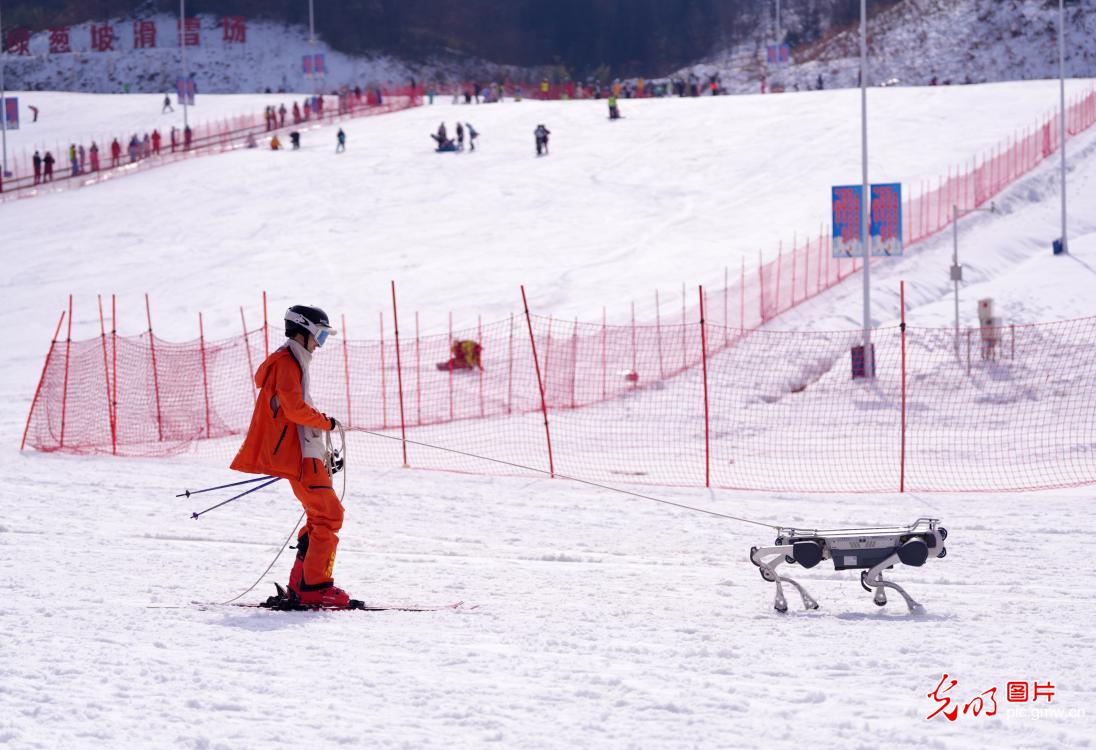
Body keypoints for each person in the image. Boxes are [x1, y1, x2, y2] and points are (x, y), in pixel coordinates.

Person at [230, 305, 352, 609]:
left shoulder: (295, 361)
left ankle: (302, 583)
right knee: (329, 515)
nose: (321, 343)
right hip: (301, 456)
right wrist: (325, 422)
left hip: (307, 453)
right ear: (303, 331)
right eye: (320, 335)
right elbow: (294, 408)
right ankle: (314, 587)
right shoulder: (286, 362)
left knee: (321, 516)